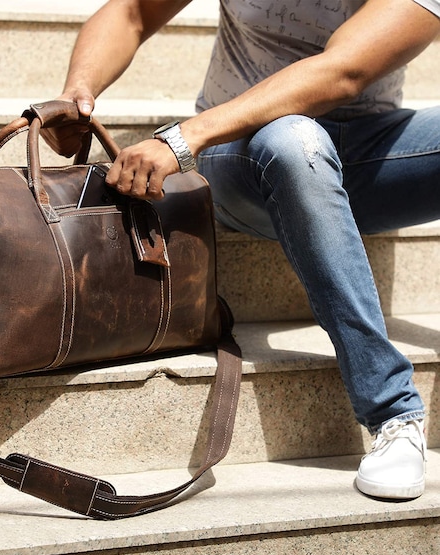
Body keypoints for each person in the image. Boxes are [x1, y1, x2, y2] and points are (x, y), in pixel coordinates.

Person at [42, 0, 440, 500]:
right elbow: (132, 13)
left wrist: (181, 140)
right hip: (242, 149)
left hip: (367, 155)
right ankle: (393, 410)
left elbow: (343, 71)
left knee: (302, 137)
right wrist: (80, 90)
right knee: (294, 139)